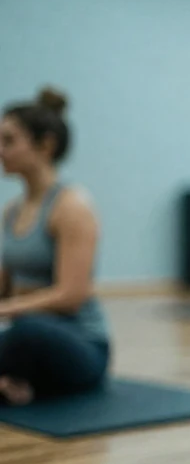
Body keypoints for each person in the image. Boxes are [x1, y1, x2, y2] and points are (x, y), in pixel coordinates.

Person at [0, 88, 110, 405]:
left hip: (79, 345)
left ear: (45, 145)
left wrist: (5, 310)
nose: (1, 150)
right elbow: (5, 284)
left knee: (27, 330)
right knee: (21, 331)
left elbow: (70, 297)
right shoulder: (11, 211)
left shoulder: (72, 207)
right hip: (24, 339)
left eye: (9, 141)